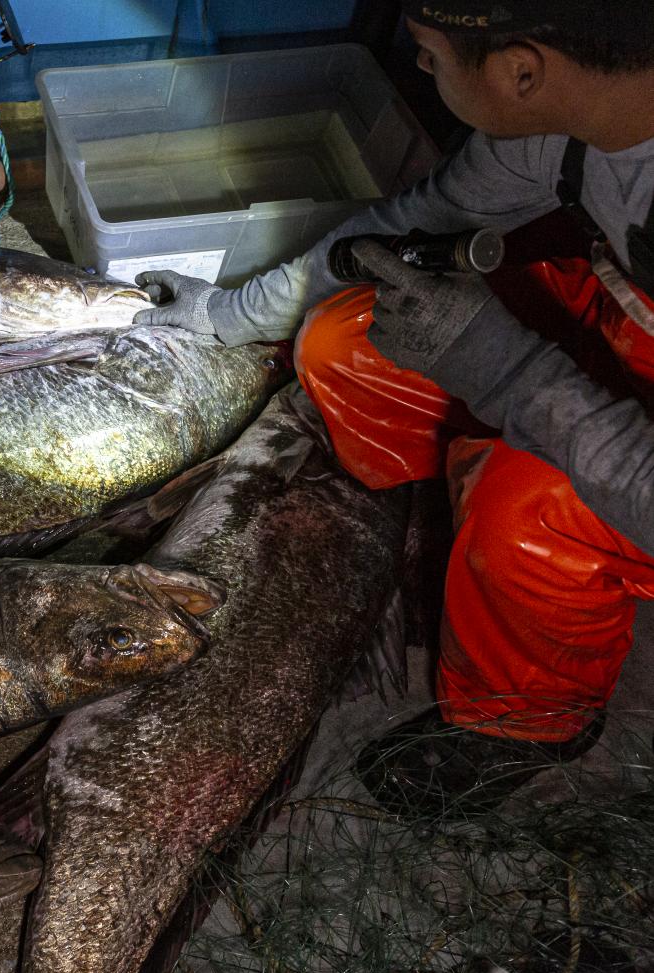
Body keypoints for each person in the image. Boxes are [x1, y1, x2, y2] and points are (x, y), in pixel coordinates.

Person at [131, 0, 654, 816]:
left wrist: (496, 363)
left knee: (529, 511)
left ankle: (531, 718)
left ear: (521, 71)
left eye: (429, 54)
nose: (418, 69)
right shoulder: (567, 126)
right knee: (351, 339)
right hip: (626, 317)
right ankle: (447, 523)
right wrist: (223, 314)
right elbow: (400, 228)